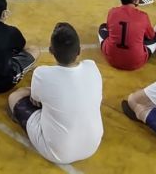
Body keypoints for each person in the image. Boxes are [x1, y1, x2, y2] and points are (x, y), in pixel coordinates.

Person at [7, 23, 103, 164]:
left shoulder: (42, 73)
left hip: (58, 153)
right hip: (93, 145)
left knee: (14, 97)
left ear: (51, 51)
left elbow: (35, 100)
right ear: (79, 50)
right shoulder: (92, 66)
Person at [98, 0, 156, 71]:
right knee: (155, 37)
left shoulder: (112, 12)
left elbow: (110, 30)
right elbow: (151, 36)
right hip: (136, 62)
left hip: (111, 58)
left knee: (102, 28)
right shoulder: (143, 16)